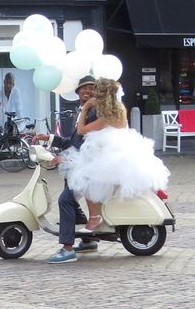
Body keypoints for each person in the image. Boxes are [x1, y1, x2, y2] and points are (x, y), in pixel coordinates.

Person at [60, 78, 170, 233]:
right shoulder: (118, 109)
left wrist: (85, 109)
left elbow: (81, 130)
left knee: (84, 177)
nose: (94, 95)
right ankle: (94, 220)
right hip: (109, 150)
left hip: (108, 155)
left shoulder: (107, 116)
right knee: (84, 176)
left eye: (97, 92)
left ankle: (94, 218)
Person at [33, 76, 100, 264]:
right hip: (80, 165)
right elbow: (71, 142)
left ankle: (67, 249)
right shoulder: (81, 112)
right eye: (84, 88)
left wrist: (65, 158)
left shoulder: (94, 113)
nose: (87, 91)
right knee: (69, 196)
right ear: (77, 92)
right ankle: (88, 240)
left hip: (91, 167)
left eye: (92, 88)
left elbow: (89, 146)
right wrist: (48, 138)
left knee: (65, 200)